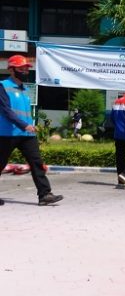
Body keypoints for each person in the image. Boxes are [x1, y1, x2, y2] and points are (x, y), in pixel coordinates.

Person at [0, 54, 63, 206]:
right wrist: (24, 125)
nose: (25, 71)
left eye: (27, 68)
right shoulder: (3, 86)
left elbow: (24, 112)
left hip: (27, 134)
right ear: (12, 70)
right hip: (7, 134)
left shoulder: (25, 89)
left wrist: (30, 126)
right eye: (22, 68)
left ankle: (45, 194)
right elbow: (6, 111)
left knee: (37, 163)